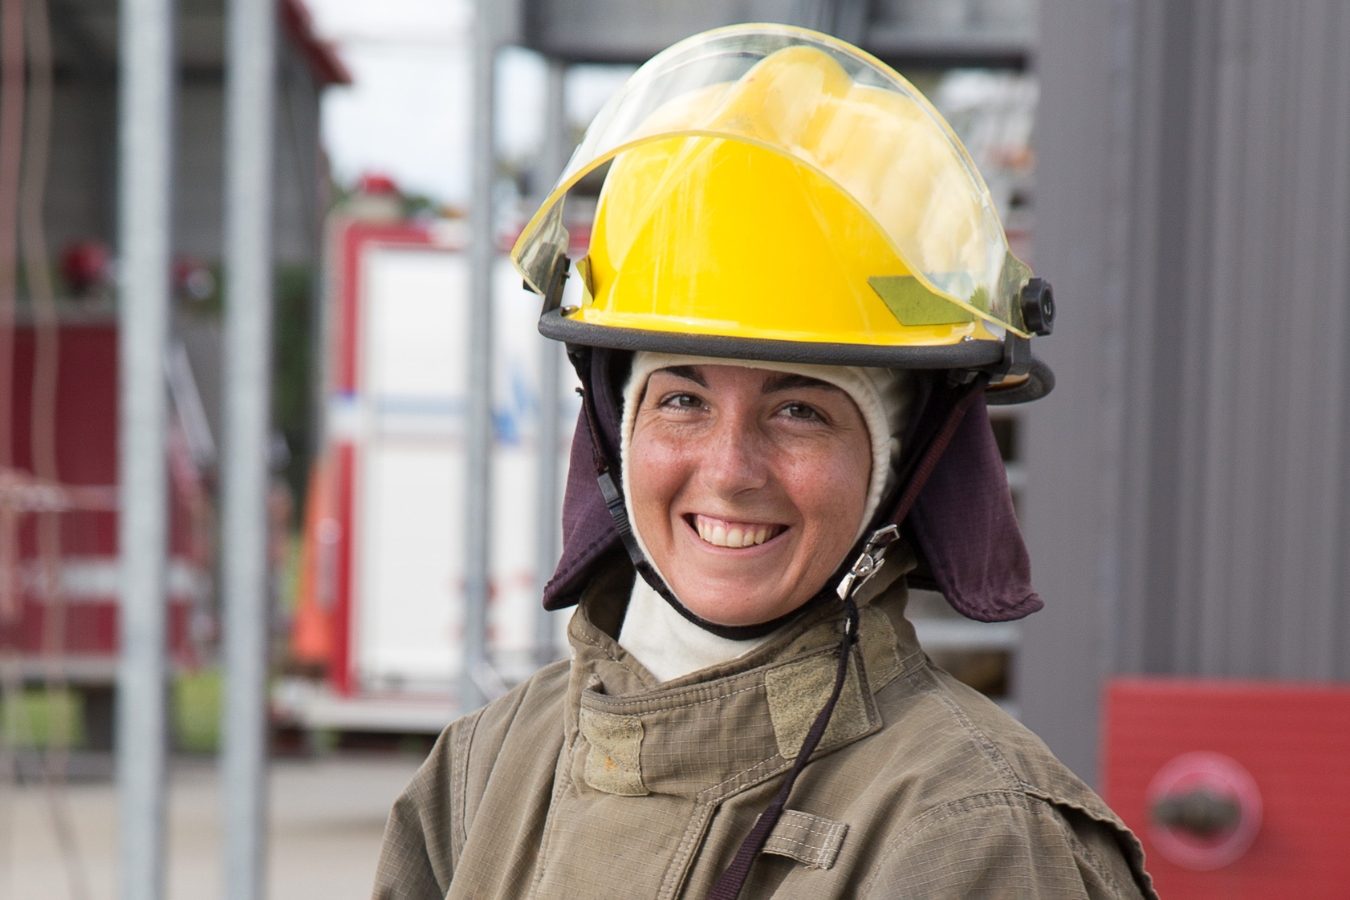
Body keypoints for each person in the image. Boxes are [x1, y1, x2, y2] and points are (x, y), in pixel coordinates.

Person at [373, 24, 1155, 900]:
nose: (730, 467)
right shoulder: (485, 769)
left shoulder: (977, 834)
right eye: (681, 400)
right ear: (613, 430)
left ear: (897, 466)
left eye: (800, 411)